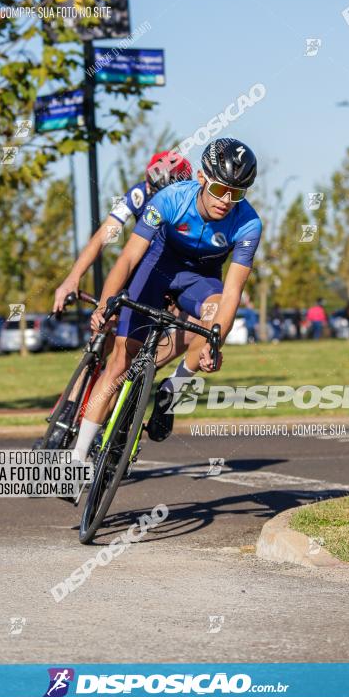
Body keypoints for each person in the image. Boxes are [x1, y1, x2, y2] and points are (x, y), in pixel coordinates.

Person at [69, 138, 262, 462]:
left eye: (237, 193)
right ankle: (77, 457)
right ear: (202, 178)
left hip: (200, 279)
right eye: (219, 190)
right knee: (118, 363)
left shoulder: (249, 224)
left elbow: (231, 293)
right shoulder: (170, 198)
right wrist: (106, 303)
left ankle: (173, 387)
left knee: (213, 319)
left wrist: (216, 345)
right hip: (156, 267)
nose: (226, 201)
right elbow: (129, 259)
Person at [53, 150, 192, 311]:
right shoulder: (138, 194)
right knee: (107, 320)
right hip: (143, 264)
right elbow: (103, 236)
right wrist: (73, 278)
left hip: (177, 268)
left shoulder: (190, 202)